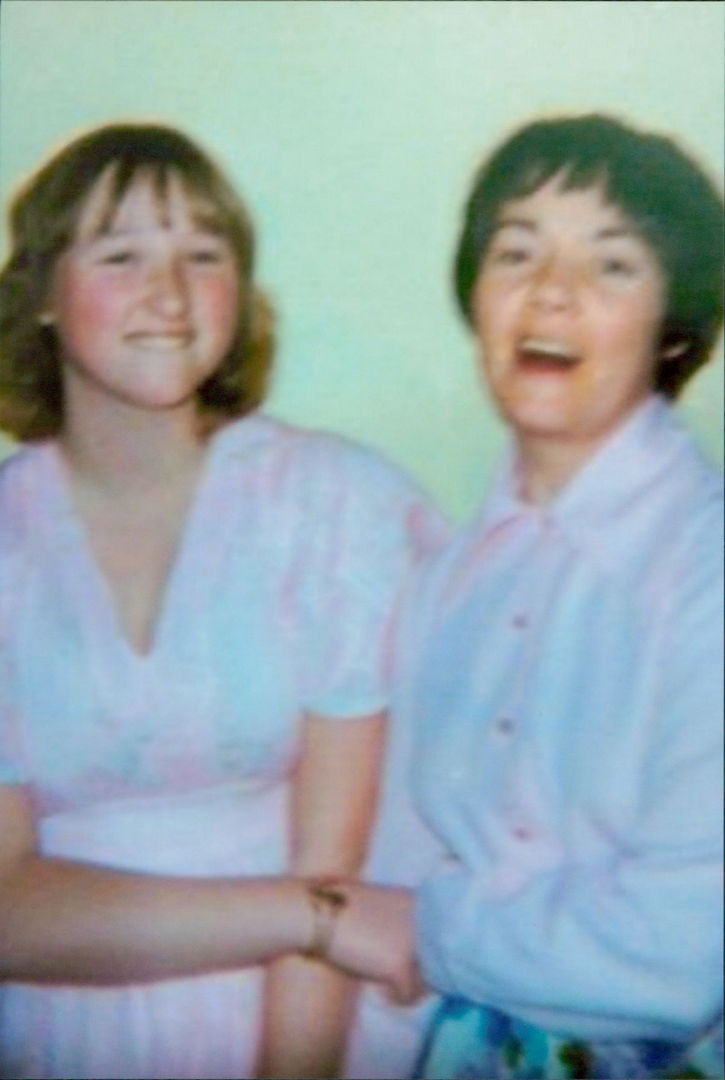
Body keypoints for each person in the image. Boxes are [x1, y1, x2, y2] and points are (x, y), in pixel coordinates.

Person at [0, 122, 446, 1080]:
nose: (168, 295)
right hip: (60, 1029)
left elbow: (340, 862)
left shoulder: (333, 506)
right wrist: (305, 917)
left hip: (304, 1017)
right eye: (120, 255)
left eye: (203, 256)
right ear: (40, 293)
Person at [320, 114, 725, 1079]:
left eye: (611, 265)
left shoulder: (704, 571)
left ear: (672, 322)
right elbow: (397, 874)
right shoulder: (447, 575)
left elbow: (682, 957)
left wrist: (432, 932)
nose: (551, 290)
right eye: (516, 253)